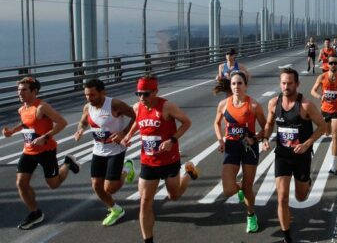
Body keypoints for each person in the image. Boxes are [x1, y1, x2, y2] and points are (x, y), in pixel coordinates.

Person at [121, 75, 199, 243]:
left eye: (146, 94)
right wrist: (128, 135)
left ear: (155, 91)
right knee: (145, 201)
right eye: (139, 94)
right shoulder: (137, 107)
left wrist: (172, 140)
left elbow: (186, 122)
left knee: (174, 196)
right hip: (148, 161)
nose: (142, 97)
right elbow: (138, 121)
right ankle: (148, 240)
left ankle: (189, 173)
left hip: (169, 160)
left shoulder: (167, 106)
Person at [3, 76, 80, 230]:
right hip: (28, 151)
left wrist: (45, 137)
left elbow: (62, 123)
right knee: (21, 183)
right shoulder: (22, 109)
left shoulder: (42, 107)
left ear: (34, 91)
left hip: (46, 151)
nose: (20, 93)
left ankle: (67, 163)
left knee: (53, 184)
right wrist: (12, 131)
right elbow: (25, 123)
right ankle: (35, 212)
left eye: (24, 90)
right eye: (18, 90)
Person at [262, 68, 326, 243]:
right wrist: (265, 138)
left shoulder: (306, 105)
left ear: (297, 84)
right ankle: (287, 237)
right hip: (282, 155)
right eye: (283, 83)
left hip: (301, 157)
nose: (286, 86)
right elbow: (269, 124)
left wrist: (306, 144)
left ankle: (307, 183)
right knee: (282, 197)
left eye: (290, 83)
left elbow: (322, 127)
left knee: (300, 197)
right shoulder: (273, 103)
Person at [73, 78, 137, 226]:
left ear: (102, 92)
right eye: (86, 95)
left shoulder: (115, 104)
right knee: (96, 186)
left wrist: (124, 133)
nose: (89, 98)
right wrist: (80, 130)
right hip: (98, 150)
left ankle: (127, 168)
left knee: (110, 188)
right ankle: (116, 210)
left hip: (116, 150)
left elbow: (136, 116)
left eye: (92, 95)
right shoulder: (88, 107)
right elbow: (83, 121)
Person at [213, 71, 266, 233]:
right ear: (230, 86)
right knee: (228, 190)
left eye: (240, 83)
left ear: (246, 86)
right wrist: (220, 140)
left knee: (248, 188)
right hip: (231, 147)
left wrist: (255, 139)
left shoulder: (254, 105)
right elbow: (216, 123)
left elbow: (266, 128)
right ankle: (240, 186)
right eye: (234, 83)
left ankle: (251, 215)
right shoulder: (223, 104)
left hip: (249, 148)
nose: (236, 86)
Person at [310, 56, 337, 174]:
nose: (333, 65)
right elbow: (312, 91)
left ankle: (333, 164)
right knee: (326, 132)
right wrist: (320, 97)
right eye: (331, 63)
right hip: (325, 109)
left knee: (335, 135)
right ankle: (327, 131)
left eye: (335, 63)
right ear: (327, 64)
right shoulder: (322, 77)